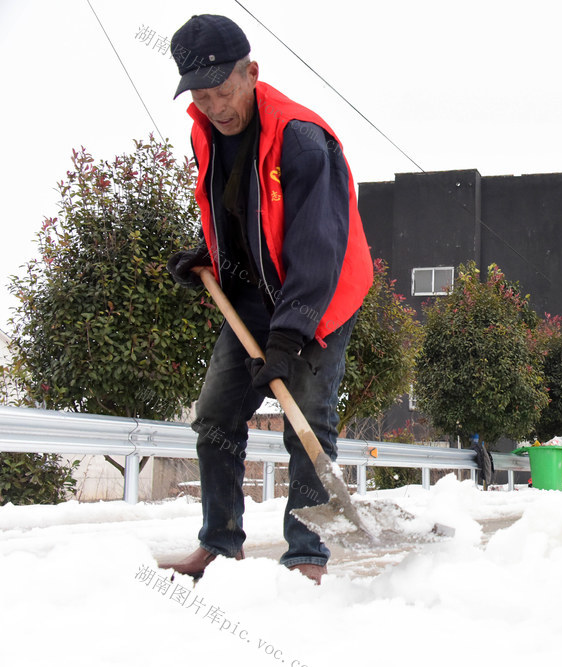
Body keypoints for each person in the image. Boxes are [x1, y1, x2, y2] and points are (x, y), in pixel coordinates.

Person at [159, 15, 373, 585]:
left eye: (223, 91)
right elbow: (242, 212)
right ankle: (220, 542)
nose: (215, 107)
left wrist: (289, 334)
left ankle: (306, 553)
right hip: (252, 295)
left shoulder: (302, 137)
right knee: (217, 417)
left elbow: (315, 244)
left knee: (306, 417)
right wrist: (208, 253)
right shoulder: (205, 129)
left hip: (319, 294)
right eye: (201, 96)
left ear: (251, 72)